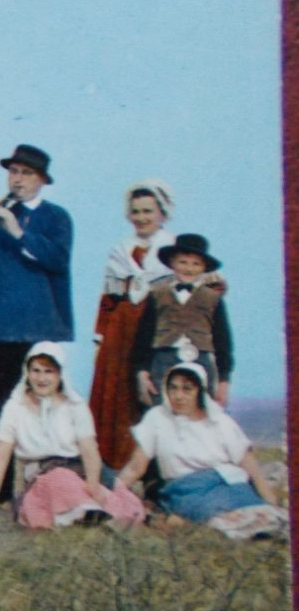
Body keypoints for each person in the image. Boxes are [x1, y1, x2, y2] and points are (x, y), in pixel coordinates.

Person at [0, 143, 74, 504]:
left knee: (40, 408)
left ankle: (48, 490)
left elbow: (57, 258)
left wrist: (18, 232)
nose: (17, 179)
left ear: (41, 180)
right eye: (13, 172)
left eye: (26, 173)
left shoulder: (56, 217)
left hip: (34, 329)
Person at [0, 342, 145, 530]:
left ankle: (98, 515)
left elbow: (89, 450)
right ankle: (85, 515)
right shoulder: (14, 407)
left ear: (60, 374)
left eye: (48, 371)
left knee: (128, 508)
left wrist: (93, 484)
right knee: (61, 480)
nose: (41, 378)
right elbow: (0, 455)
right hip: (44, 475)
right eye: (36, 371)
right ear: (27, 372)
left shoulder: (75, 405)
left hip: (80, 470)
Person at [116, 364, 284, 540]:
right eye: (173, 388)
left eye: (187, 389)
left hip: (227, 484)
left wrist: (269, 497)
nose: (178, 396)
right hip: (185, 490)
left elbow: (247, 461)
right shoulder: (157, 418)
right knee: (218, 518)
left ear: (200, 391)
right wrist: (113, 491)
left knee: (265, 514)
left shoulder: (220, 421)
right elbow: (136, 467)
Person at [86, 180, 175, 469]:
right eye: (135, 212)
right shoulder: (120, 251)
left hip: (156, 331)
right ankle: (116, 478)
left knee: (151, 398)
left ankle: (154, 479)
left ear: (162, 213)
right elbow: (109, 299)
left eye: (148, 211)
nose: (141, 218)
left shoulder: (173, 251)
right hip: (121, 333)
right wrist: (100, 340)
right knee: (117, 400)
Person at [131, 233, 233, 407]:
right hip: (163, 359)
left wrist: (224, 380)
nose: (188, 268)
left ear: (204, 267)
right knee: (161, 409)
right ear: (172, 263)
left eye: (196, 264)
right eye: (183, 262)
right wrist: (142, 372)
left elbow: (222, 340)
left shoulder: (213, 298)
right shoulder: (157, 294)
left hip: (200, 359)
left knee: (199, 410)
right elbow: (144, 335)